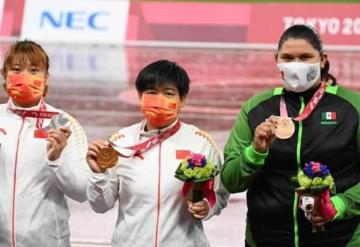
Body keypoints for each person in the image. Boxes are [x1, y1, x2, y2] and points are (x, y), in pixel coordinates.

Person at [221, 24, 360, 247]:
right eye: (288, 57)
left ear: (322, 59)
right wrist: (255, 152)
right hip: (266, 239)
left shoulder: (352, 107)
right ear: (277, 60)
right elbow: (230, 180)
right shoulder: (256, 108)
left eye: (305, 57)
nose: (297, 65)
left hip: (341, 240)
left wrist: (340, 205)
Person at [86, 59, 228, 246]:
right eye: (151, 93)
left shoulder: (201, 143)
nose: (159, 100)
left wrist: (207, 206)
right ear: (139, 96)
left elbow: (219, 194)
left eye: (169, 93)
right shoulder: (120, 143)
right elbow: (100, 205)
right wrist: (99, 174)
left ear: (182, 99)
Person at [0, 40, 90, 246]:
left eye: (34, 70)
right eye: (16, 69)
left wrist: (58, 161)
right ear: (5, 76)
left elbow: (81, 191)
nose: (25, 76)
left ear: (46, 78)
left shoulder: (63, 123)